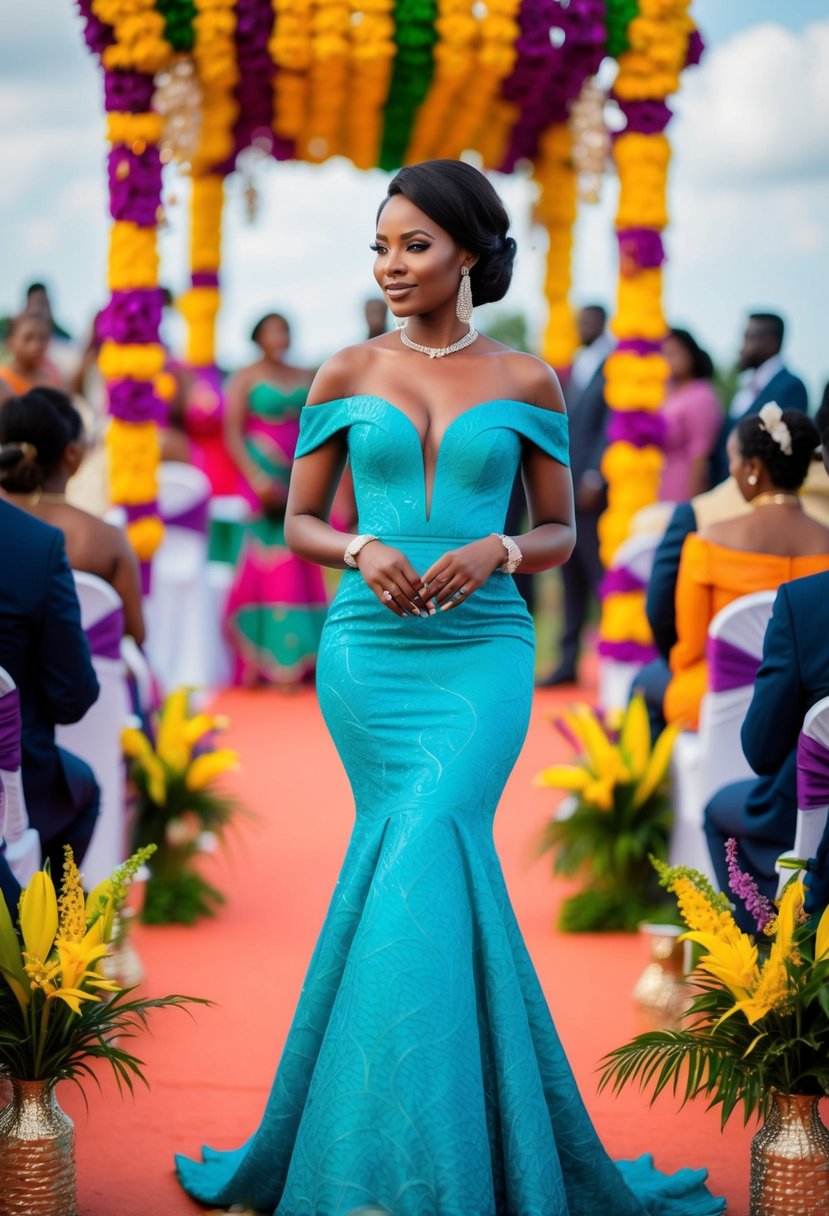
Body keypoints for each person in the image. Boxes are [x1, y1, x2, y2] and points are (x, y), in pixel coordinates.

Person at [176, 160, 723, 1216]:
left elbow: (563, 529)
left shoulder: (527, 382)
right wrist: (359, 546)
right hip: (366, 657)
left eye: (413, 244)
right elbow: (301, 519)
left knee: (428, 843)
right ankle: (404, 1153)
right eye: (379, 246)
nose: (391, 265)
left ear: (469, 251)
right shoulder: (339, 371)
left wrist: (501, 551)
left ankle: (413, 1163)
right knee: (409, 850)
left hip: (482, 651)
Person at [665, 406, 829, 733]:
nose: (732, 470)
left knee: (649, 688)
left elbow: (691, 649)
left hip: (719, 698)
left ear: (753, 467)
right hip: (811, 709)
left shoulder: (707, 543)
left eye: (732, 460)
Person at [222, 313, 327, 686]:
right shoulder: (244, 379)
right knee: (267, 563)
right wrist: (256, 478)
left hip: (297, 475)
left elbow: (318, 428)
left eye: (284, 329)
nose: (279, 337)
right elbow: (232, 435)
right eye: (271, 331)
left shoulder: (305, 376)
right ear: (257, 338)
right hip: (260, 480)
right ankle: (261, 661)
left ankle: (302, 657)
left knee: (300, 556)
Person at [0, 494, 100, 886]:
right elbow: (71, 698)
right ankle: (44, 937)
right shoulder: (34, 544)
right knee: (82, 788)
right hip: (15, 787)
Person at [0, 388, 145, 645]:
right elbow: (136, 634)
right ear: (70, 453)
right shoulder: (105, 538)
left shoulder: (11, 522)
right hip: (82, 676)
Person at [538, 303, 613, 686]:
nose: (581, 326)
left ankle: (616, 660)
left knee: (600, 575)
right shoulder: (576, 366)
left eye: (587, 320)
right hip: (568, 487)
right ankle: (568, 661)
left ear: (602, 323)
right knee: (570, 577)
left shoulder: (615, 366)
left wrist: (596, 476)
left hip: (593, 492)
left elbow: (611, 424)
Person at [709, 312, 808, 485]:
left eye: (748, 338)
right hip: (726, 490)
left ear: (770, 342)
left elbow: (784, 451)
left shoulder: (791, 388)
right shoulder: (746, 389)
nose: (741, 348)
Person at [658, 328, 722, 502]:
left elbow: (699, 458)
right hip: (658, 486)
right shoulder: (666, 393)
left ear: (690, 354)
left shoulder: (701, 395)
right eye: (663, 354)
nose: (667, 360)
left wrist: (690, 508)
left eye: (673, 353)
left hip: (682, 490)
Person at [0, 313, 63, 401]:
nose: (38, 345)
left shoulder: (51, 379)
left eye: (42, 338)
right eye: (28, 338)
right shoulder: (3, 379)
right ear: (10, 342)